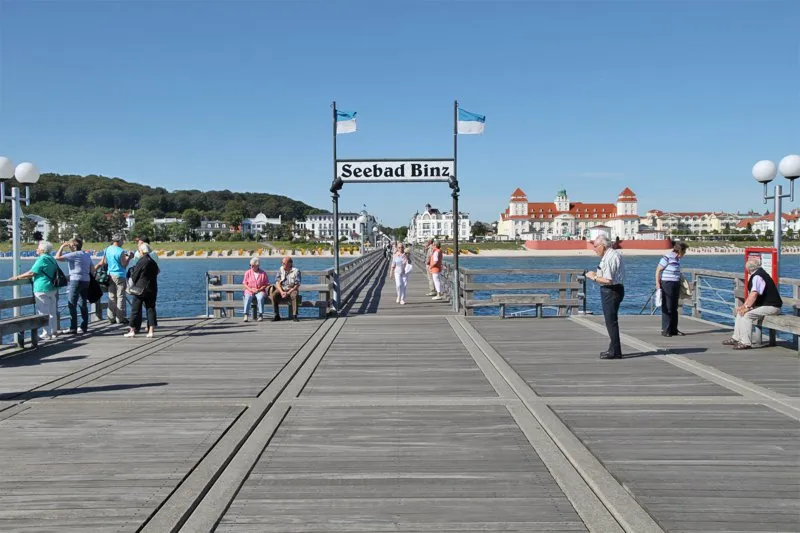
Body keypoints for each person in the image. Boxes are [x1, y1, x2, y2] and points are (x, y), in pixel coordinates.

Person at [723, 257, 783, 350]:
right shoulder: (759, 274)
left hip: (772, 306)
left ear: (748, 268)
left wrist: (747, 307)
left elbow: (754, 294)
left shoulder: (758, 276)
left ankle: (746, 342)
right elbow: (752, 295)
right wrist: (743, 306)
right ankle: (736, 337)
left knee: (747, 315)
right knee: (740, 312)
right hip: (765, 305)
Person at [586, 235, 626, 359]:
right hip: (616, 289)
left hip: (611, 291)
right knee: (611, 321)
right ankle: (613, 348)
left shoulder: (609, 258)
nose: (594, 249)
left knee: (611, 322)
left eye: (596, 246)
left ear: (603, 245)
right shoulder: (613, 254)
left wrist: (593, 277)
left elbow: (608, 280)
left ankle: (615, 352)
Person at [11, 241, 59, 340]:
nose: (36, 249)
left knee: (43, 312)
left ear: (42, 249)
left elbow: (32, 272)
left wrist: (18, 277)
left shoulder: (41, 259)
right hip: (52, 287)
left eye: (38, 248)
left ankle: (46, 333)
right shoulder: (51, 259)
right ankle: (54, 331)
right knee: (52, 312)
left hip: (42, 288)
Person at [55, 237, 93, 335]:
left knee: (71, 304)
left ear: (74, 246)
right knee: (83, 304)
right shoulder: (86, 255)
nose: (69, 246)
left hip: (76, 280)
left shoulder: (74, 254)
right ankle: (84, 326)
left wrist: (62, 246)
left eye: (70, 245)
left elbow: (57, 257)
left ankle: (73, 328)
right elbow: (92, 269)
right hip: (86, 280)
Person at [124, 243, 160, 338]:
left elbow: (135, 275)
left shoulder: (141, 261)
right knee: (151, 308)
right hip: (152, 288)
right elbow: (158, 272)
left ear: (142, 251)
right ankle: (151, 331)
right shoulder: (152, 262)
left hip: (140, 289)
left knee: (135, 309)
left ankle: (132, 330)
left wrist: (133, 283)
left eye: (139, 251)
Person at [655, 241, 688, 337]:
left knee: (674, 307)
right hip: (667, 283)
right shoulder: (667, 257)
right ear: (680, 251)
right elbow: (658, 270)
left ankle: (674, 329)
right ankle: (665, 329)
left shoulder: (677, 259)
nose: (684, 254)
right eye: (684, 252)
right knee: (667, 307)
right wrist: (657, 283)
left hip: (675, 283)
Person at [96, 235, 130, 325]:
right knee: (120, 297)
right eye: (122, 240)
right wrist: (129, 258)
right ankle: (120, 318)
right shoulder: (121, 251)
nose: (123, 242)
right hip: (120, 275)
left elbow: (105, 262)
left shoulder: (107, 249)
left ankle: (111, 317)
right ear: (118, 241)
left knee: (111, 296)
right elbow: (124, 265)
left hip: (110, 275)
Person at [269, 256, 301, 322]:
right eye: (282, 263)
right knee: (273, 295)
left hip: (291, 288)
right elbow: (277, 282)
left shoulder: (296, 271)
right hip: (282, 288)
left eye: (284, 263)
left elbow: (297, 284)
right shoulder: (281, 269)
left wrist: (289, 292)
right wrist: (281, 292)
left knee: (294, 295)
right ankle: (276, 315)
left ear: (289, 263)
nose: (282, 264)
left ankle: (294, 315)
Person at [243, 257, 269, 322]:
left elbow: (266, 284)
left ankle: (260, 315)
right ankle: (246, 315)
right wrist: (251, 289)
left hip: (260, 290)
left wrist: (259, 289)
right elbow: (244, 283)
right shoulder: (247, 272)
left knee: (260, 298)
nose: (251, 266)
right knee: (248, 297)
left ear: (257, 266)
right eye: (250, 265)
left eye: (253, 265)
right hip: (249, 290)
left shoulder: (263, 273)